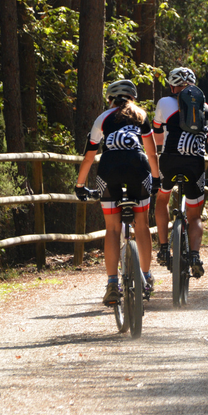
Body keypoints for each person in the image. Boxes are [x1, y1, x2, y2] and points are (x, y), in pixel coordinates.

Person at [75, 79, 161, 305]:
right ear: (132, 97)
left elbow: (89, 156)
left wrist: (80, 186)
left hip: (109, 169)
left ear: (110, 99)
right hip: (138, 167)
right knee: (141, 225)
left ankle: (112, 283)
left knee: (112, 228)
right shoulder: (141, 115)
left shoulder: (102, 118)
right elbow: (151, 154)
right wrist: (156, 179)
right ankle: (147, 276)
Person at [153, 66, 208, 278]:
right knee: (194, 216)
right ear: (194, 85)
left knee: (162, 199)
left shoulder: (164, 103)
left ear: (172, 86)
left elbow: (158, 138)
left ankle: (162, 248)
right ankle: (194, 255)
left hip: (168, 161)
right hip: (195, 164)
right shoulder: (206, 109)